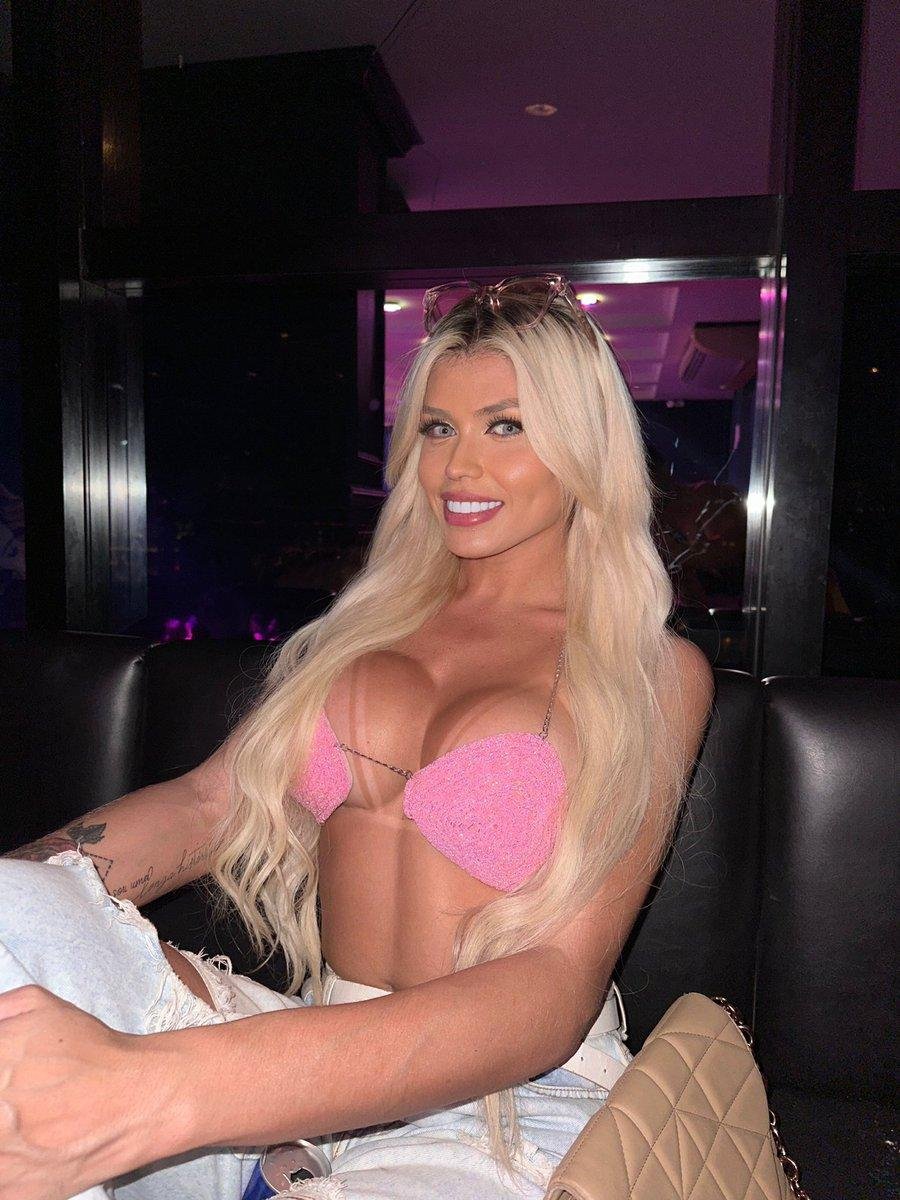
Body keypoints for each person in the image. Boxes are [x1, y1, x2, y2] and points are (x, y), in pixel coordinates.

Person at [0, 275, 715, 1200]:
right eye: (438, 428)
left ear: (585, 444)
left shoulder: (645, 671)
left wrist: (166, 1089)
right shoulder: (364, 631)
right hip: (302, 1055)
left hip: (506, 1104)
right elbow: (209, 804)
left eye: (505, 426)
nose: (459, 468)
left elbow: (552, 984)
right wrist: (28, 891)